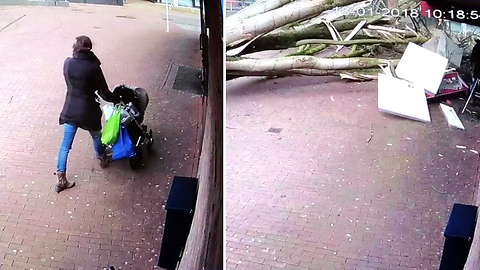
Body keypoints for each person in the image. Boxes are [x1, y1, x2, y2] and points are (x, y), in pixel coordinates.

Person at [55, 35, 120, 193]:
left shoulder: (68, 63)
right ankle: (102, 158)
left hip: (70, 108)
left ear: (75, 47)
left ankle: (61, 179)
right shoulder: (93, 67)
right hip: (88, 110)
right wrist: (117, 98)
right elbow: (104, 92)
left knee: (65, 146)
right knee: (96, 136)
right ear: (89, 48)